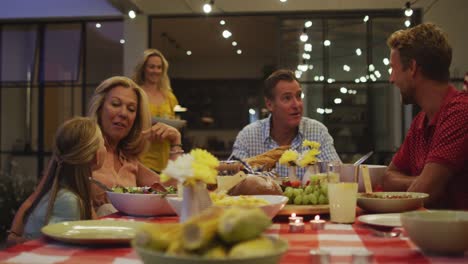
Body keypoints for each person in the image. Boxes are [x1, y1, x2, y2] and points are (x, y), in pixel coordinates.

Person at [383, 23, 468, 209]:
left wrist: (422, 184)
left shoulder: (461, 113)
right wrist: (418, 181)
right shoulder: (421, 121)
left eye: (393, 68)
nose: (391, 79)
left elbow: (426, 193)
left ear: (412, 68)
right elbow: (388, 179)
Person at [87, 76, 181, 214]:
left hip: (126, 233)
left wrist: (176, 141)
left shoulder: (129, 160)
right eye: (115, 104)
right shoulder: (83, 150)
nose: (123, 113)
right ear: (99, 108)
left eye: (131, 109)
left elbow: (171, 191)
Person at [7, 117, 106, 245]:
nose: (105, 148)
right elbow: (58, 249)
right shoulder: (69, 201)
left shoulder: (63, 192)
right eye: (103, 144)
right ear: (97, 156)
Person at [231, 69, 341, 179]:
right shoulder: (248, 136)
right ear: (270, 104)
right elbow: (230, 178)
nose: (296, 104)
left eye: (298, 96)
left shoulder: (318, 132)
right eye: (287, 98)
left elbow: (337, 175)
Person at [133, 49, 181, 173]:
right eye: (152, 67)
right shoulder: (135, 93)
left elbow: (174, 123)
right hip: (142, 158)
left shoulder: (169, 96)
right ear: (143, 68)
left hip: (165, 159)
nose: (156, 71)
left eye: (159, 67)